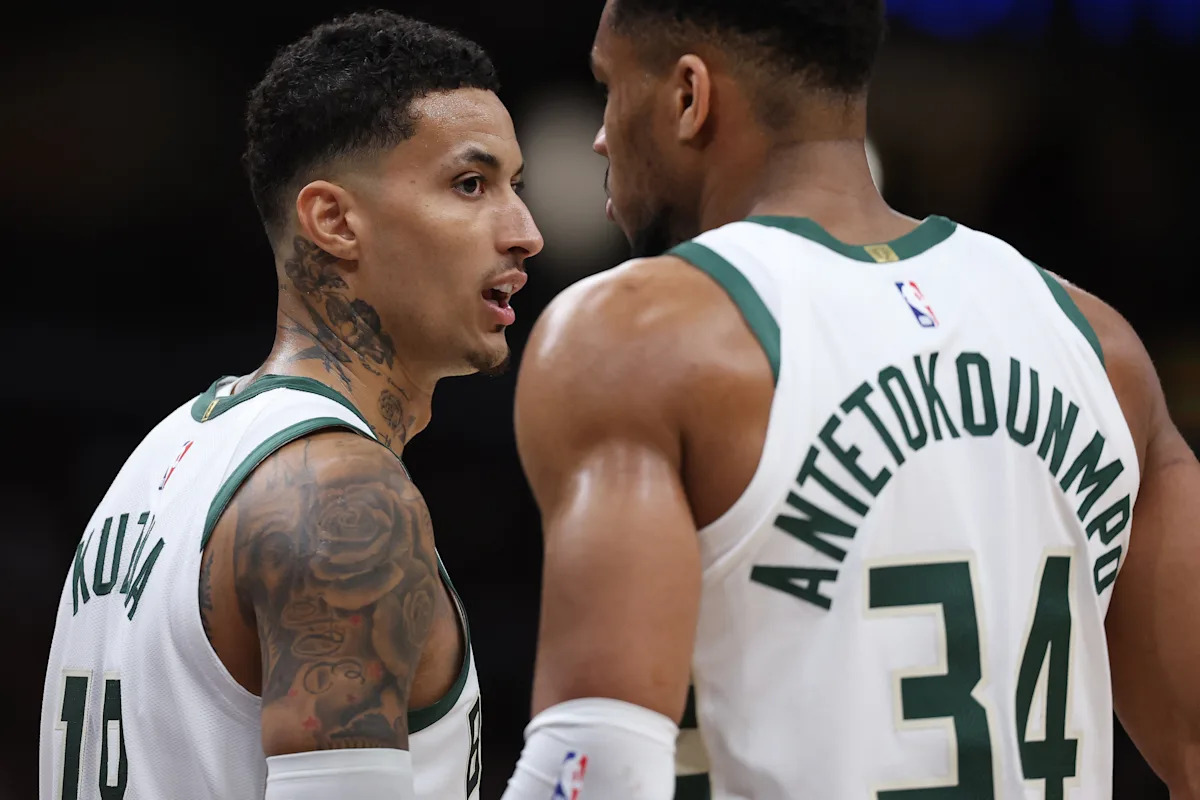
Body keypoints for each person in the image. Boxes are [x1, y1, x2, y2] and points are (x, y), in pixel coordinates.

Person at [502, 1, 1200, 798]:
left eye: (609, 88)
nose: (600, 135)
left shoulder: (639, 335)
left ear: (689, 97)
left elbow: (596, 769)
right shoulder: (1100, 346)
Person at [39, 11, 541, 800]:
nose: (525, 232)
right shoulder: (340, 494)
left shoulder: (167, 453)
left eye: (518, 186)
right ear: (334, 221)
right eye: (471, 185)